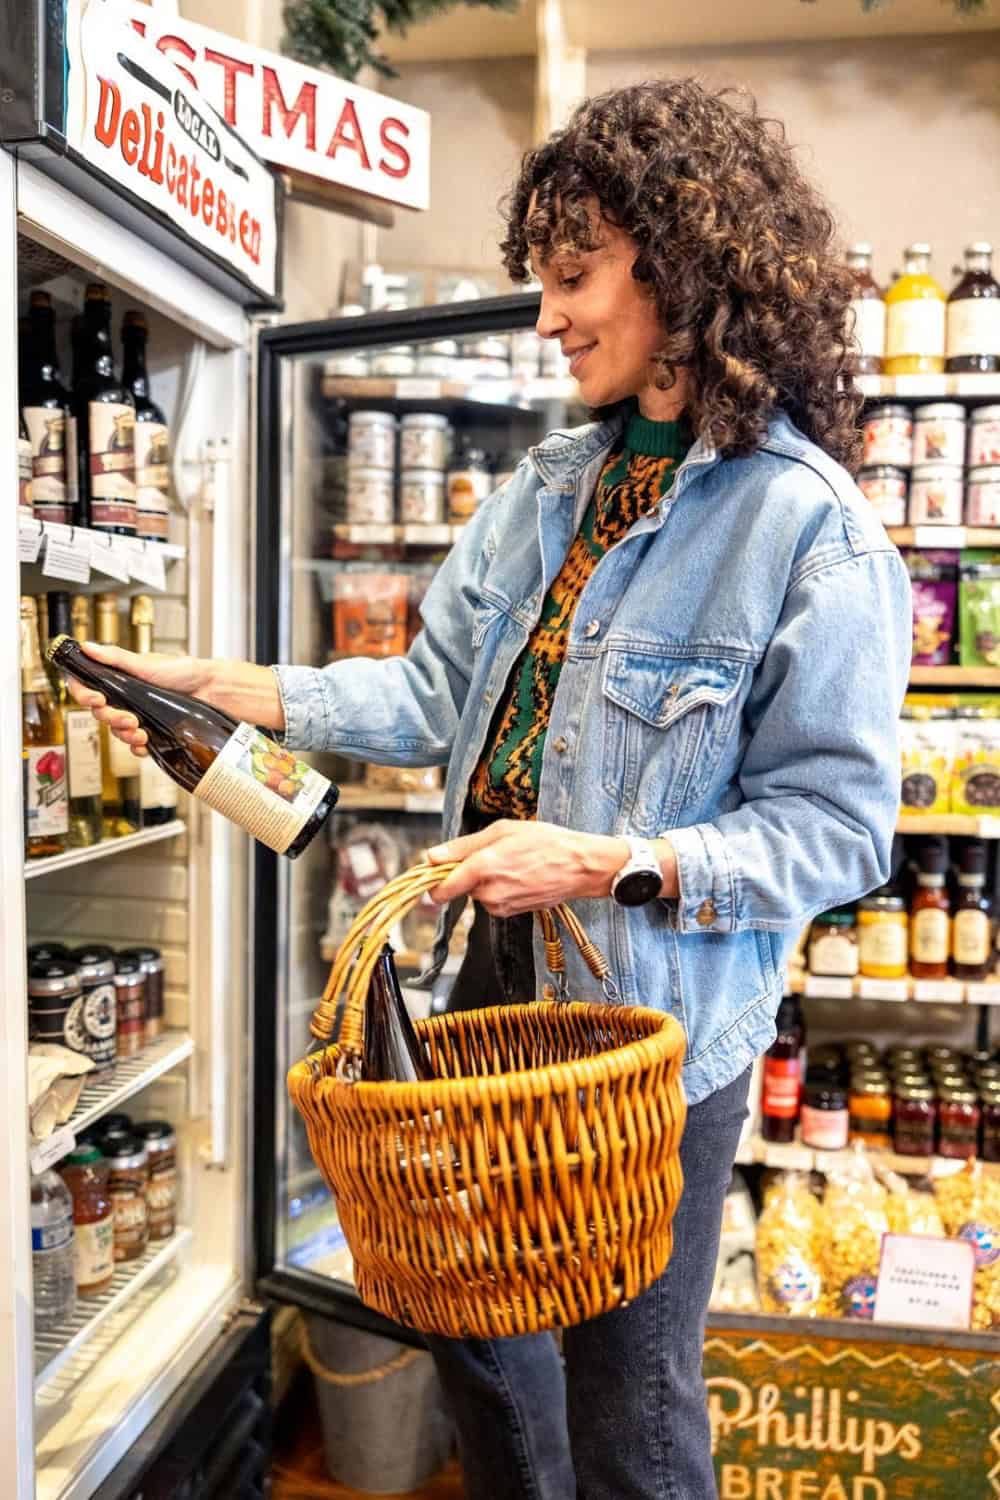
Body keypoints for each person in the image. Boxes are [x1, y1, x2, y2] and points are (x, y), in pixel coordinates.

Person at [70, 78, 910, 1500]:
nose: (547, 320)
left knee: (628, 1394)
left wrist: (602, 861)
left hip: (653, 1036)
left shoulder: (805, 529)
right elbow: (425, 697)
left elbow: (839, 832)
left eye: (575, 277)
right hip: (491, 983)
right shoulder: (545, 489)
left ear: (686, 268)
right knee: (472, 1333)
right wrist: (242, 693)